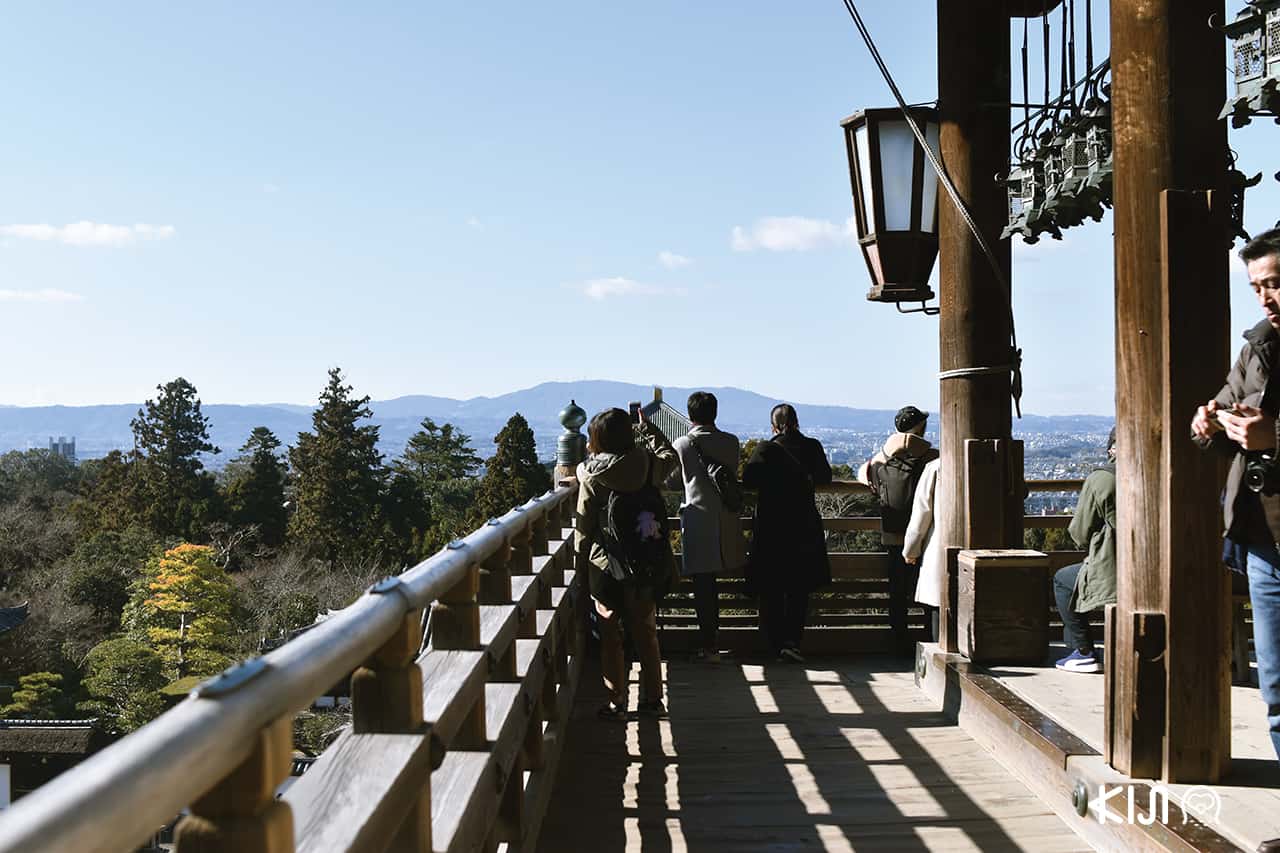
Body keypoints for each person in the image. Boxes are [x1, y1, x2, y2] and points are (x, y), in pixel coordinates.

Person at [1192, 227, 1280, 766]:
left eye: (1275, 283)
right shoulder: (1256, 348)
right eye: (1256, 287)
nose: (1266, 297)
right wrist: (1208, 423)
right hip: (1264, 541)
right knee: (1276, 689)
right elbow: (1222, 408)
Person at [574, 406, 679, 720]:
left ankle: (616, 701)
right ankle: (653, 700)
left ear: (597, 439)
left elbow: (584, 526)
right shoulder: (647, 466)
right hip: (645, 562)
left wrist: (580, 566)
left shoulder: (592, 474)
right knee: (646, 632)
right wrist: (648, 429)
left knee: (610, 634)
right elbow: (670, 455)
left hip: (606, 564)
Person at [742, 403, 832, 662]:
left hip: (771, 528)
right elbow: (824, 476)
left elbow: (748, 480)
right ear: (797, 422)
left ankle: (774, 644)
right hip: (803, 527)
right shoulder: (812, 446)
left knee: (771, 587)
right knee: (798, 589)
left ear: (774, 426)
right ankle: (792, 642)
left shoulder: (765, 449)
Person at [672, 391, 748, 663]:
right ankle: (719, 641)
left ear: (690, 415)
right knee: (721, 579)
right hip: (727, 520)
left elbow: (672, 480)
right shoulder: (731, 442)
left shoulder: (682, 444)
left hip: (697, 520)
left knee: (703, 585)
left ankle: (709, 644)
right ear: (715, 413)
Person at [858, 406, 939, 653]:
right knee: (928, 593)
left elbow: (863, 474)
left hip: (893, 536)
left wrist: (882, 454)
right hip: (925, 538)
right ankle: (930, 640)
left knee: (897, 592)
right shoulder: (931, 457)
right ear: (921, 427)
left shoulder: (883, 459)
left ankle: (898, 641)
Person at [1052, 429, 1116, 674]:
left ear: (1112, 448)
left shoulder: (1102, 479)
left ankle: (1084, 651)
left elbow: (1079, 532)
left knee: (1064, 580)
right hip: (1170, 570)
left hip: (1115, 568)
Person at [902, 456, 942, 642]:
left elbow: (921, 516)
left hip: (940, 553)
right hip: (991, 555)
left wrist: (911, 551)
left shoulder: (936, 468)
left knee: (939, 615)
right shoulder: (1002, 462)